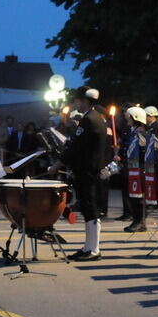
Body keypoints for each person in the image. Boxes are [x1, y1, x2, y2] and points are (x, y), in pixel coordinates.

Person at [50, 86, 107, 261]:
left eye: (77, 101)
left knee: (90, 208)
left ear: (85, 101)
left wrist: (58, 163)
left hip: (87, 170)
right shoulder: (96, 118)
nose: (76, 104)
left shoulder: (88, 120)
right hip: (89, 169)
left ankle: (93, 249)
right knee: (87, 208)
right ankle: (88, 247)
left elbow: (75, 147)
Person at [124, 106, 149, 232]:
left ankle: (140, 222)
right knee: (133, 196)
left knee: (138, 197)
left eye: (129, 116)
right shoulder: (133, 132)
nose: (127, 118)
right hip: (132, 168)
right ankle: (136, 220)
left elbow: (144, 150)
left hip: (139, 168)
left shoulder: (141, 133)